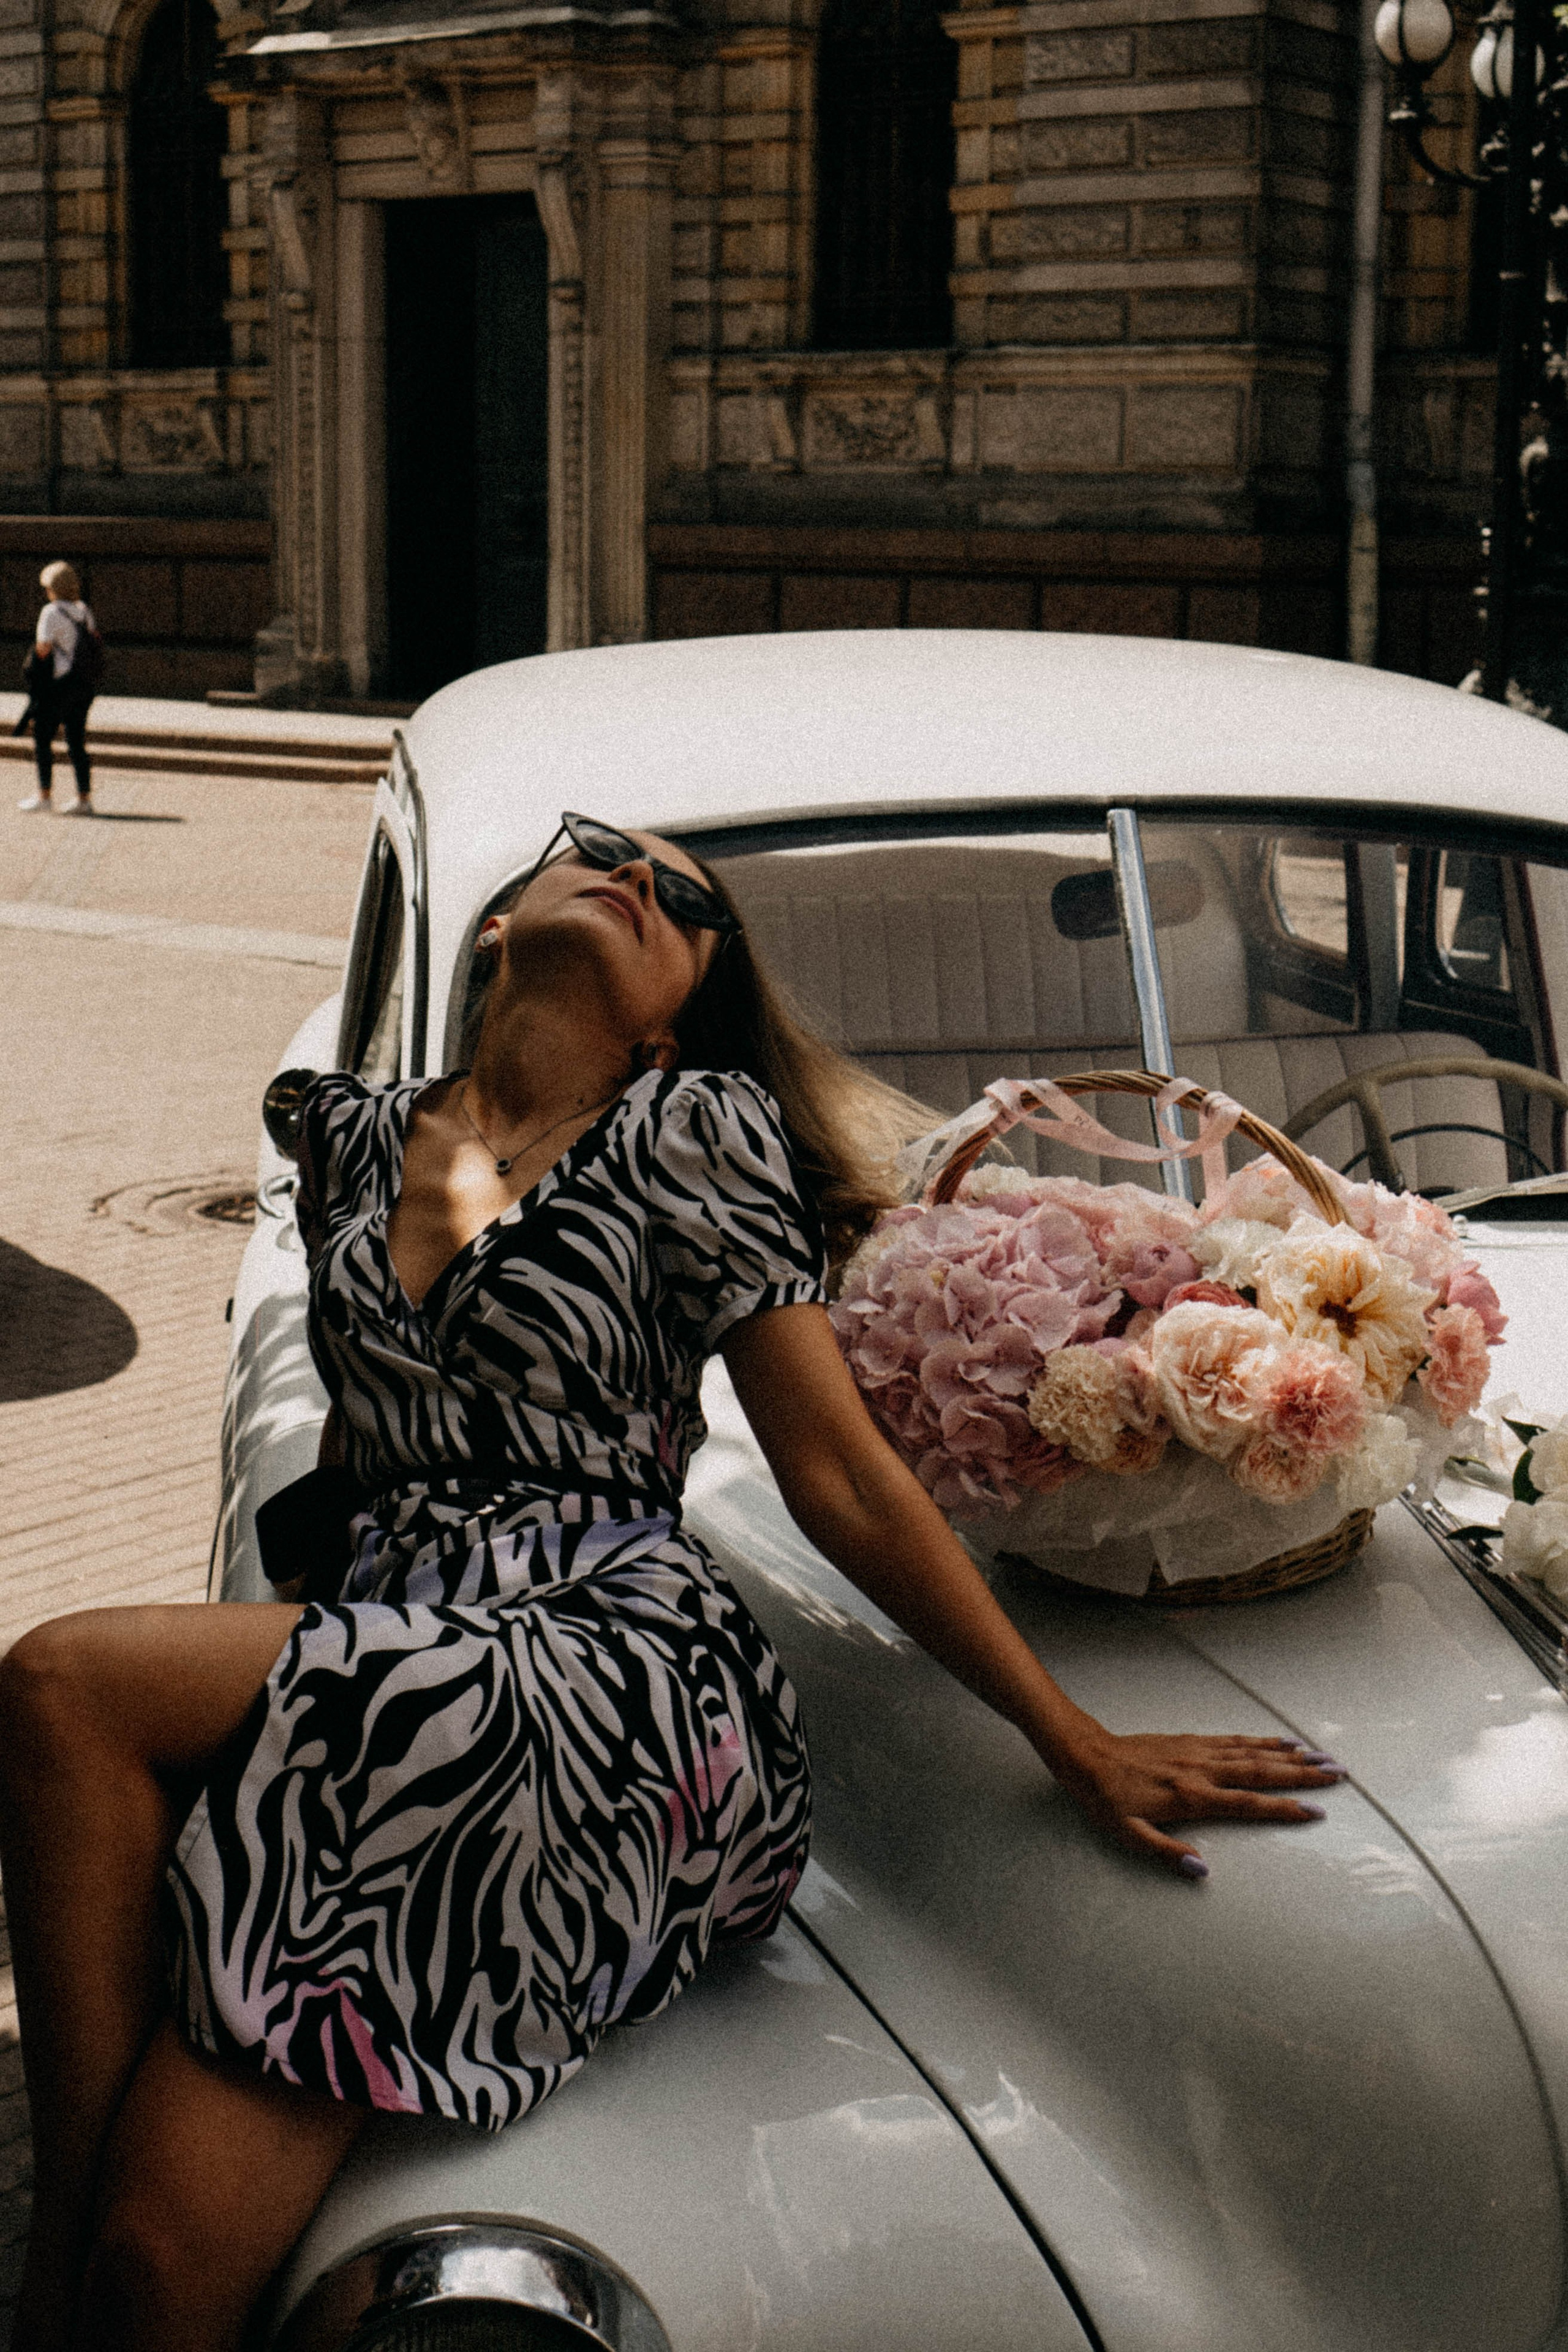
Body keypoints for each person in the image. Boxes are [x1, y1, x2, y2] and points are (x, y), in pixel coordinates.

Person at [0, 814, 1343, 2351]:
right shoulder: (358, 1137)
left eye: (683, 900)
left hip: (606, 1658)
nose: (636, 877)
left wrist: (1068, 1734)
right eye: (597, 850)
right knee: (149, 2262)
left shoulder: (689, 1128)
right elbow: (379, 1439)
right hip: (399, 1638)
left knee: (64, 1677)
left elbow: (835, 1475)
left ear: (674, 1014)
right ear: (497, 923)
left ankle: (41, 2273)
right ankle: (73, 2258)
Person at [16, 561, 96, 815]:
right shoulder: (84, 610)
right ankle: (84, 799)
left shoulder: (50, 612)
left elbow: (43, 648)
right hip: (82, 684)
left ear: (54, 588)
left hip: (57, 686)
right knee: (76, 741)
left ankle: (45, 796)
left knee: (42, 738)